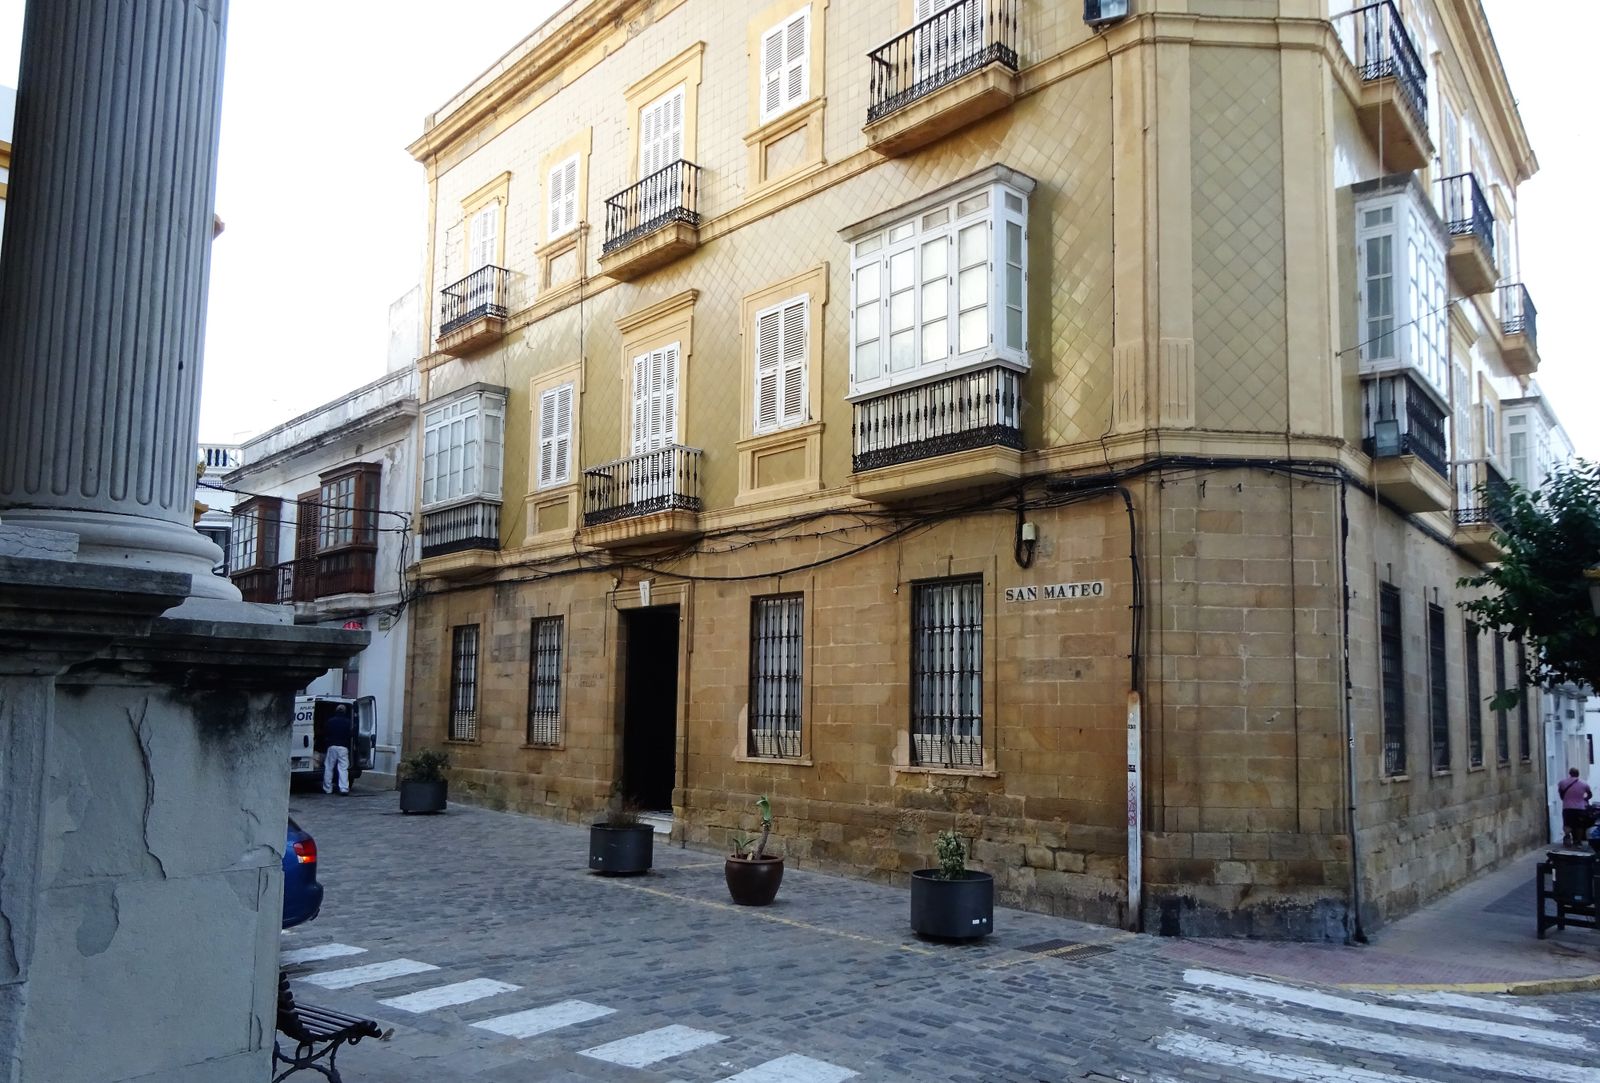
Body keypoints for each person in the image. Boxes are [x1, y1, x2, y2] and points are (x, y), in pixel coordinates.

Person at [322, 705, 353, 796]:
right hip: (343, 747)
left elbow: (325, 733)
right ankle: (343, 788)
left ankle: (327, 788)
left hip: (332, 746)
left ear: (336, 711)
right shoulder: (348, 722)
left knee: (329, 767)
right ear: (345, 712)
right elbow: (350, 734)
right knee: (343, 768)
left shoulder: (330, 721)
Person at [1558, 767, 1593, 845]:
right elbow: (1590, 794)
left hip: (1567, 807)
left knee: (1567, 823)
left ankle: (1567, 837)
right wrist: (1584, 799)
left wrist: (1566, 799)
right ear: (1578, 774)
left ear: (1570, 774)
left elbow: (1561, 795)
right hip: (1580, 808)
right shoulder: (1584, 783)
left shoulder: (1562, 782)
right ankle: (1578, 841)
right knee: (1579, 825)